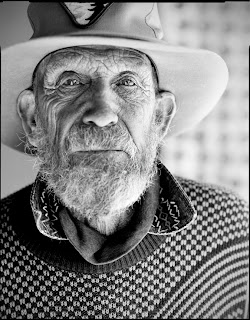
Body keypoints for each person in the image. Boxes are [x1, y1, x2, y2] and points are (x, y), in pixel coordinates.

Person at [1, 3, 248, 319]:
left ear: (159, 117)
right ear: (34, 118)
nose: (102, 114)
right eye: (70, 82)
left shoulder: (232, 234)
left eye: (127, 82)